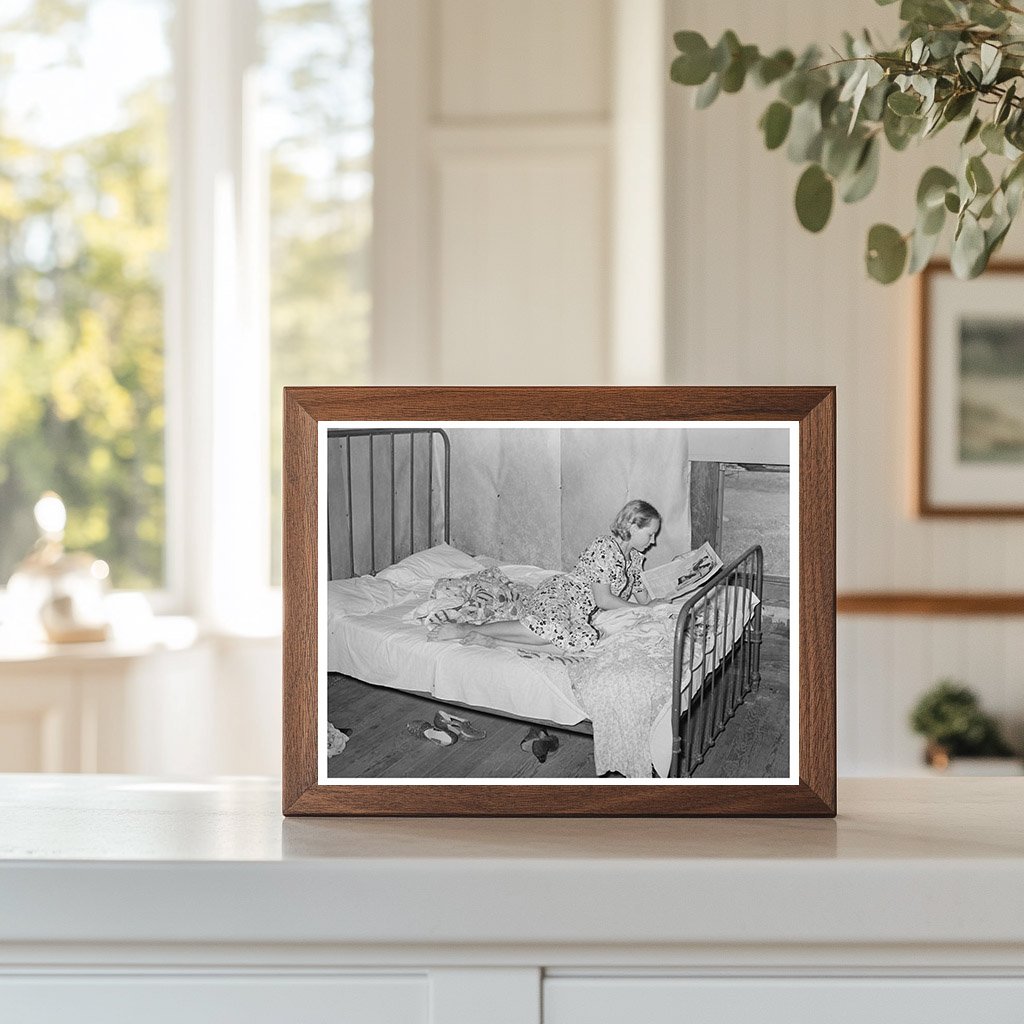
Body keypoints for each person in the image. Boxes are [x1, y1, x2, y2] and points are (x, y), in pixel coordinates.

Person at [433, 499, 667, 654]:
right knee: (551, 627)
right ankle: (462, 629)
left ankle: (494, 642)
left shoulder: (635, 560)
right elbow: (604, 600)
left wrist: (665, 597)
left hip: (583, 614)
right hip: (563, 594)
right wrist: (645, 610)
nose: (653, 541)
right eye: (650, 534)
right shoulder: (604, 546)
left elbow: (645, 599)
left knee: (585, 642)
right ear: (634, 527)